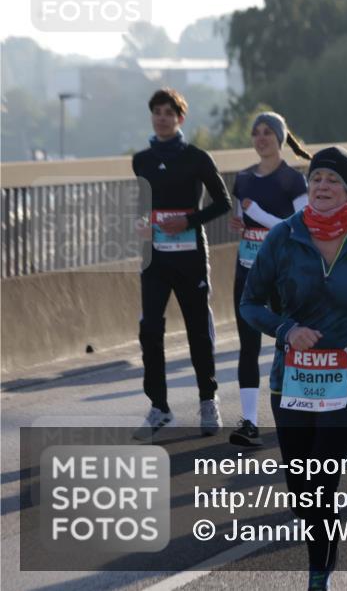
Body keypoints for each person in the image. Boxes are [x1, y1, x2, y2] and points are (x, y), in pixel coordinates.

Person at [240, 146, 347, 590]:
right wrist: (286, 329)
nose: (322, 186)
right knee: (302, 490)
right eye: (316, 178)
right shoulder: (284, 236)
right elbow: (249, 303)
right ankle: (323, 555)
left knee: (321, 479)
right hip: (292, 377)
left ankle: (319, 577)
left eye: (332, 180)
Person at [132, 88, 232, 441]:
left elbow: (223, 203)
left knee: (198, 331)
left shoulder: (197, 158)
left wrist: (188, 221)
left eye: (168, 113)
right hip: (155, 258)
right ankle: (159, 406)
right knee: (150, 330)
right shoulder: (141, 160)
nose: (162, 118)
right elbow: (143, 205)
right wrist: (141, 223)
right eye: (157, 112)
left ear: (180, 118)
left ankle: (208, 399)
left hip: (190, 257)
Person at [227, 111, 310, 446]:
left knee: (288, 341)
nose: (261, 138)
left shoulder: (294, 180)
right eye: (256, 132)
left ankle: (296, 413)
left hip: (283, 275)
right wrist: (241, 223)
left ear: (280, 137)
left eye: (267, 132)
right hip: (247, 272)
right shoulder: (243, 179)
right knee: (247, 346)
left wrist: (257, 214)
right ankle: (249, 422)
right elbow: (241, 220)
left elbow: (300, 227)